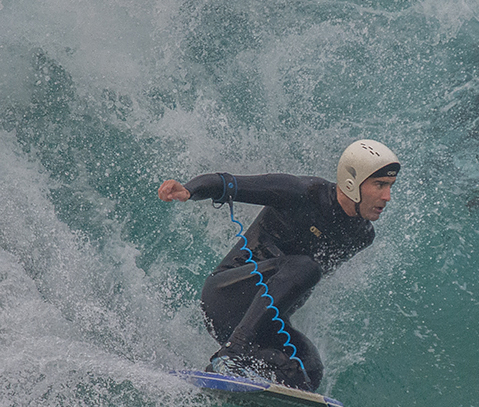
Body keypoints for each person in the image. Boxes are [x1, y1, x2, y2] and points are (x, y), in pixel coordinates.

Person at [158, 140, 399, 391]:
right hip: (226, 297)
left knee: (308, 372)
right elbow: (228, 183)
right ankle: (229, 357)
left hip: (260, 322)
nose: (387, 197)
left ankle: (240, 374)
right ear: (352, 181)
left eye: (390, 186)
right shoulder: (303, 192)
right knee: (307, 267)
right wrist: (188, 190)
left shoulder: (361, 235)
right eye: (379, 185)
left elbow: (296, 287)